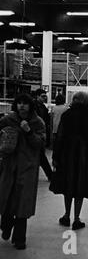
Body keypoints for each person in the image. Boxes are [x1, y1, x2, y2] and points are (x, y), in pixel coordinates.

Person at [0, 94, 46, 250]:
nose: (21, 106)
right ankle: (6, 225)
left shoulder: (37, 122)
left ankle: (20, 239)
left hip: (27, 167)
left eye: (25, 103)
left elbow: (40, 143)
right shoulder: (8, 120)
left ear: (30, 106)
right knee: (6, 199)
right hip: (9, 166)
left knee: (22, 204)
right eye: (19, 103)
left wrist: (28, 132)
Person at [50, 92, 88, 230]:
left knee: (68, 185)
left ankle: (66, 215)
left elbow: (59, 137)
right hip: (85, 154)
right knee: (80, 186)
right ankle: (77, 218)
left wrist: (55, 156)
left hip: (67, 153)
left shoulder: (67, 115)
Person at [34, 89, 52, 181]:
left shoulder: (42, 107)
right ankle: (50, 175)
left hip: (40, 134)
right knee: (41, 156)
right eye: (42, 96)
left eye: (45, 96)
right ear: (37, 96)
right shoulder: (34, 106)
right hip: (35, 134)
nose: (45, 98)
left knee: (41, 156)